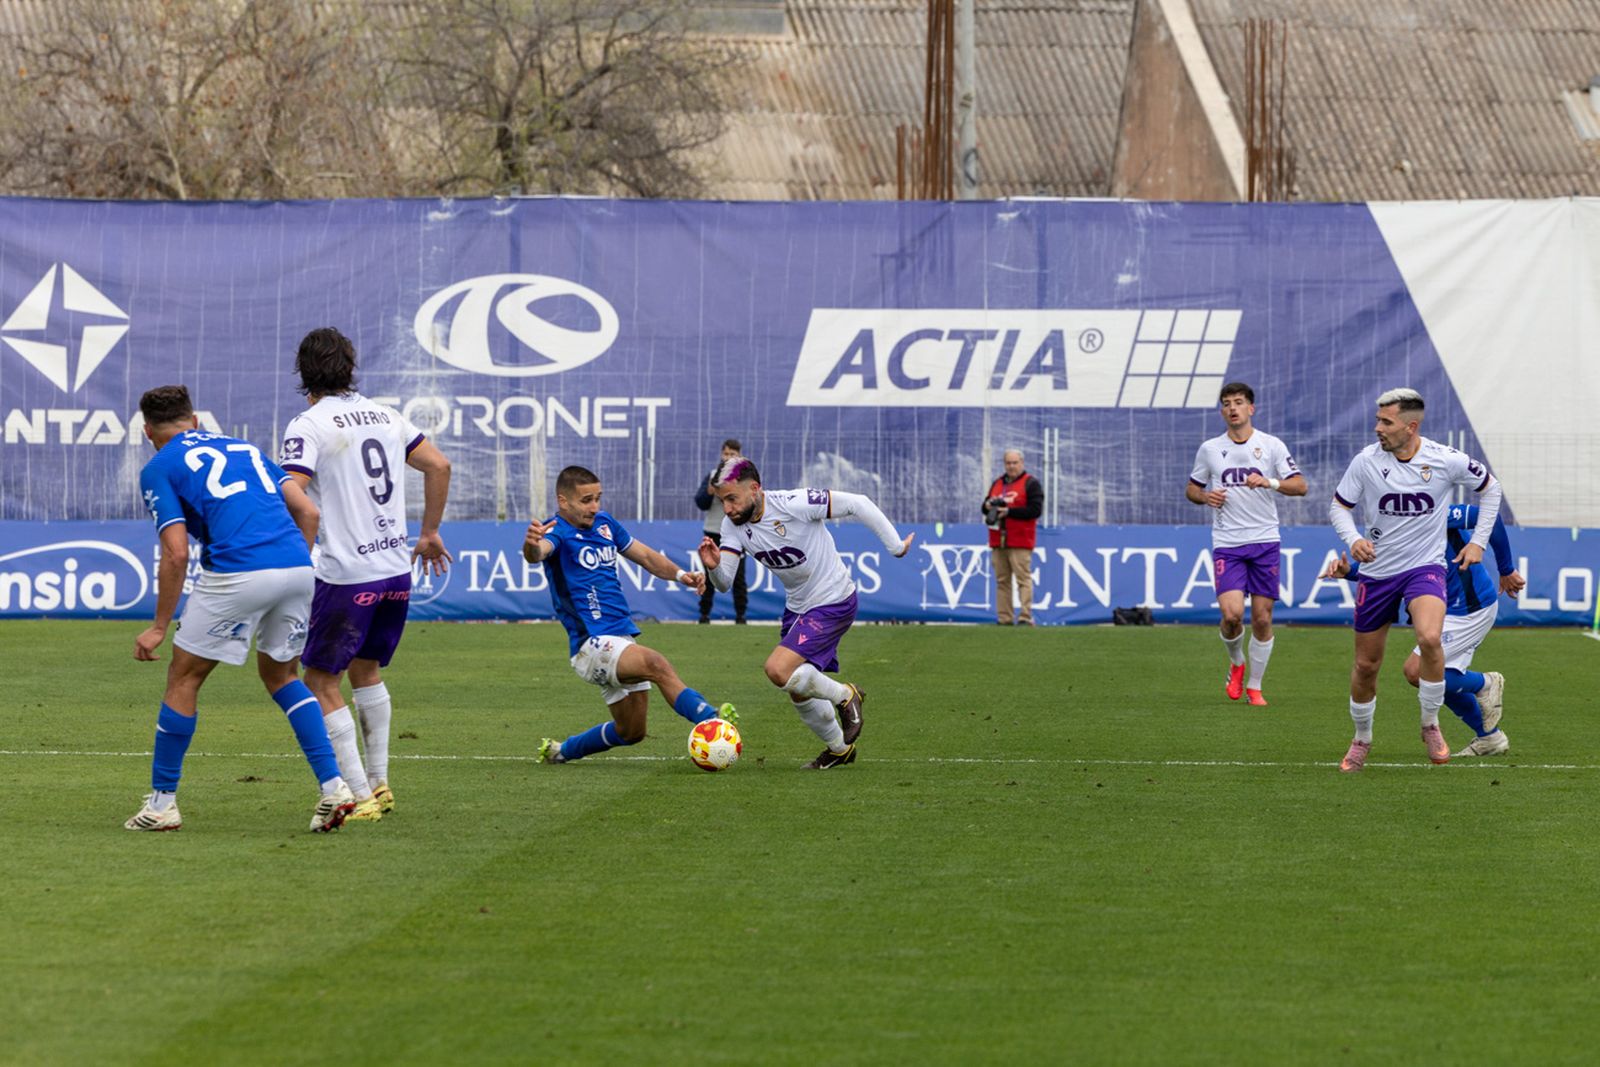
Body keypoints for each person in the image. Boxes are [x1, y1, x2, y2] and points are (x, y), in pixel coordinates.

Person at [126, 385, 355, 832]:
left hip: (239, 573)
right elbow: (308, 512)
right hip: (296, 566)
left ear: (148, 431)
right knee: (282, 676)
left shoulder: (159, 467)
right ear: (195, 420)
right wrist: (287, 569)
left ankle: (162, 804)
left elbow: (175, 554)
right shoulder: (245, 448)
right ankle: (333, 787)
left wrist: (158, 626)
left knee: (185, 676)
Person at [279, 327, 453, 822]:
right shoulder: (385, 414)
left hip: (346, 573)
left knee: (318, 678)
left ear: (303, 370)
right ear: (350, 366)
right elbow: (439, 465)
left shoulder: (309, 424)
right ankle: (379, 782)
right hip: (395, 569)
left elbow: (292, 488)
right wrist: (430, 532)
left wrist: (290, 539)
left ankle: (357, 794)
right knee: (366, 672)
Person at [1328, 387, 1503, 772]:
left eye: (1386, 422)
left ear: (1411, 426)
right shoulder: (1366, 462)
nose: (1378, 428)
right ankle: (1361, 740)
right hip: (1377, 575)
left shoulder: (1444, 459)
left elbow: (1491, 489)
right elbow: (1339, 507)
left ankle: (1430, 725)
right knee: (1366, 666)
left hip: (1425, 571)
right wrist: (1354, 539)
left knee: (1428, 638)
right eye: (1377, 420)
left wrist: (1478, 543)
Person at [699, 458, 913, 769]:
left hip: (834, 600)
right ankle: (840, 749)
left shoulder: (794, 503)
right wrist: (714, 565)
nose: (727, 508)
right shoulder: (732, 526)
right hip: (798, 608)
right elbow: (723, 584)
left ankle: (846, 695)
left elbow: (858, 503)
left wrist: (895, 546)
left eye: (732, 498)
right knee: (797, 689)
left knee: (777, 670)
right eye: (722, 501)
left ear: (755, 489)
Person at [525, 465, 737, 764]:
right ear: (563, 501)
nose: (594, 506)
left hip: (620, 638)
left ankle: (561, 751)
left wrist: (680, 574)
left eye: (597, 498)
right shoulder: (557, 531)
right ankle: (713, 721)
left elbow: (647, 557)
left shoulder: (605, 524)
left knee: (631, 731)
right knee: (656, 664)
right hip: (592, 643)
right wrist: (531, 544)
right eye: (586, 500)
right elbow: (539, 553)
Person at [1320, 503, 1523, 757]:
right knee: (1437, 677)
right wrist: (1349, 572)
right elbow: (1386, 570)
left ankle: (1485, 683)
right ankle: (1489, 737)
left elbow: (1489, 516)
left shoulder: (1438, 512)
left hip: (1469, 608)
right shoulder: (1389, 528)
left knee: (1416, 672)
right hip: (1444, 609)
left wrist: (1506, 569)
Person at [1185, 382, 1307, 705]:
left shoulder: (1271, 445)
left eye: (1239, 402)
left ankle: (1255, 685)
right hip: (1228, 542)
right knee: (1232, 615)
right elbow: (1192, 489)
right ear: (1222, 411)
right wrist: (1205, 496)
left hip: (1265, 540)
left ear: (1251, 408)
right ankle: (1237, 661)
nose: (1232, 408)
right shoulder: (1210, 449)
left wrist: (1269, 481)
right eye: (1226, 403)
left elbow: (1301, 486)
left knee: (1263, 619)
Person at [982, 449, 1043, 626]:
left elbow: (1035, 510)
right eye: (1008, 463)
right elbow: (984, 507)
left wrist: (1008, 512)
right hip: (998, 540)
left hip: (1020, 540)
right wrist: (988, 506)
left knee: (1023, 579)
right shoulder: (998, 484)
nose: (1011, 466)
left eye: (1015, 463)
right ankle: (1005, 617)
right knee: (1002, 581)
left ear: (1022, 463)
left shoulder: (1031, 483)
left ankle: (1025, 616)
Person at [693, 438, 748, 623]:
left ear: (739, 456)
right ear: (721, 454)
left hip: (737, 531)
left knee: (738, 576)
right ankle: (704, 614)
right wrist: (708, 492)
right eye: (726, 453)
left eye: (733, 454)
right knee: (710, 575)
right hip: (713, 531)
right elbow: (700, 503)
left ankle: (741, 615)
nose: (729, 457)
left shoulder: (744, 478)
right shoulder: (713, 475)